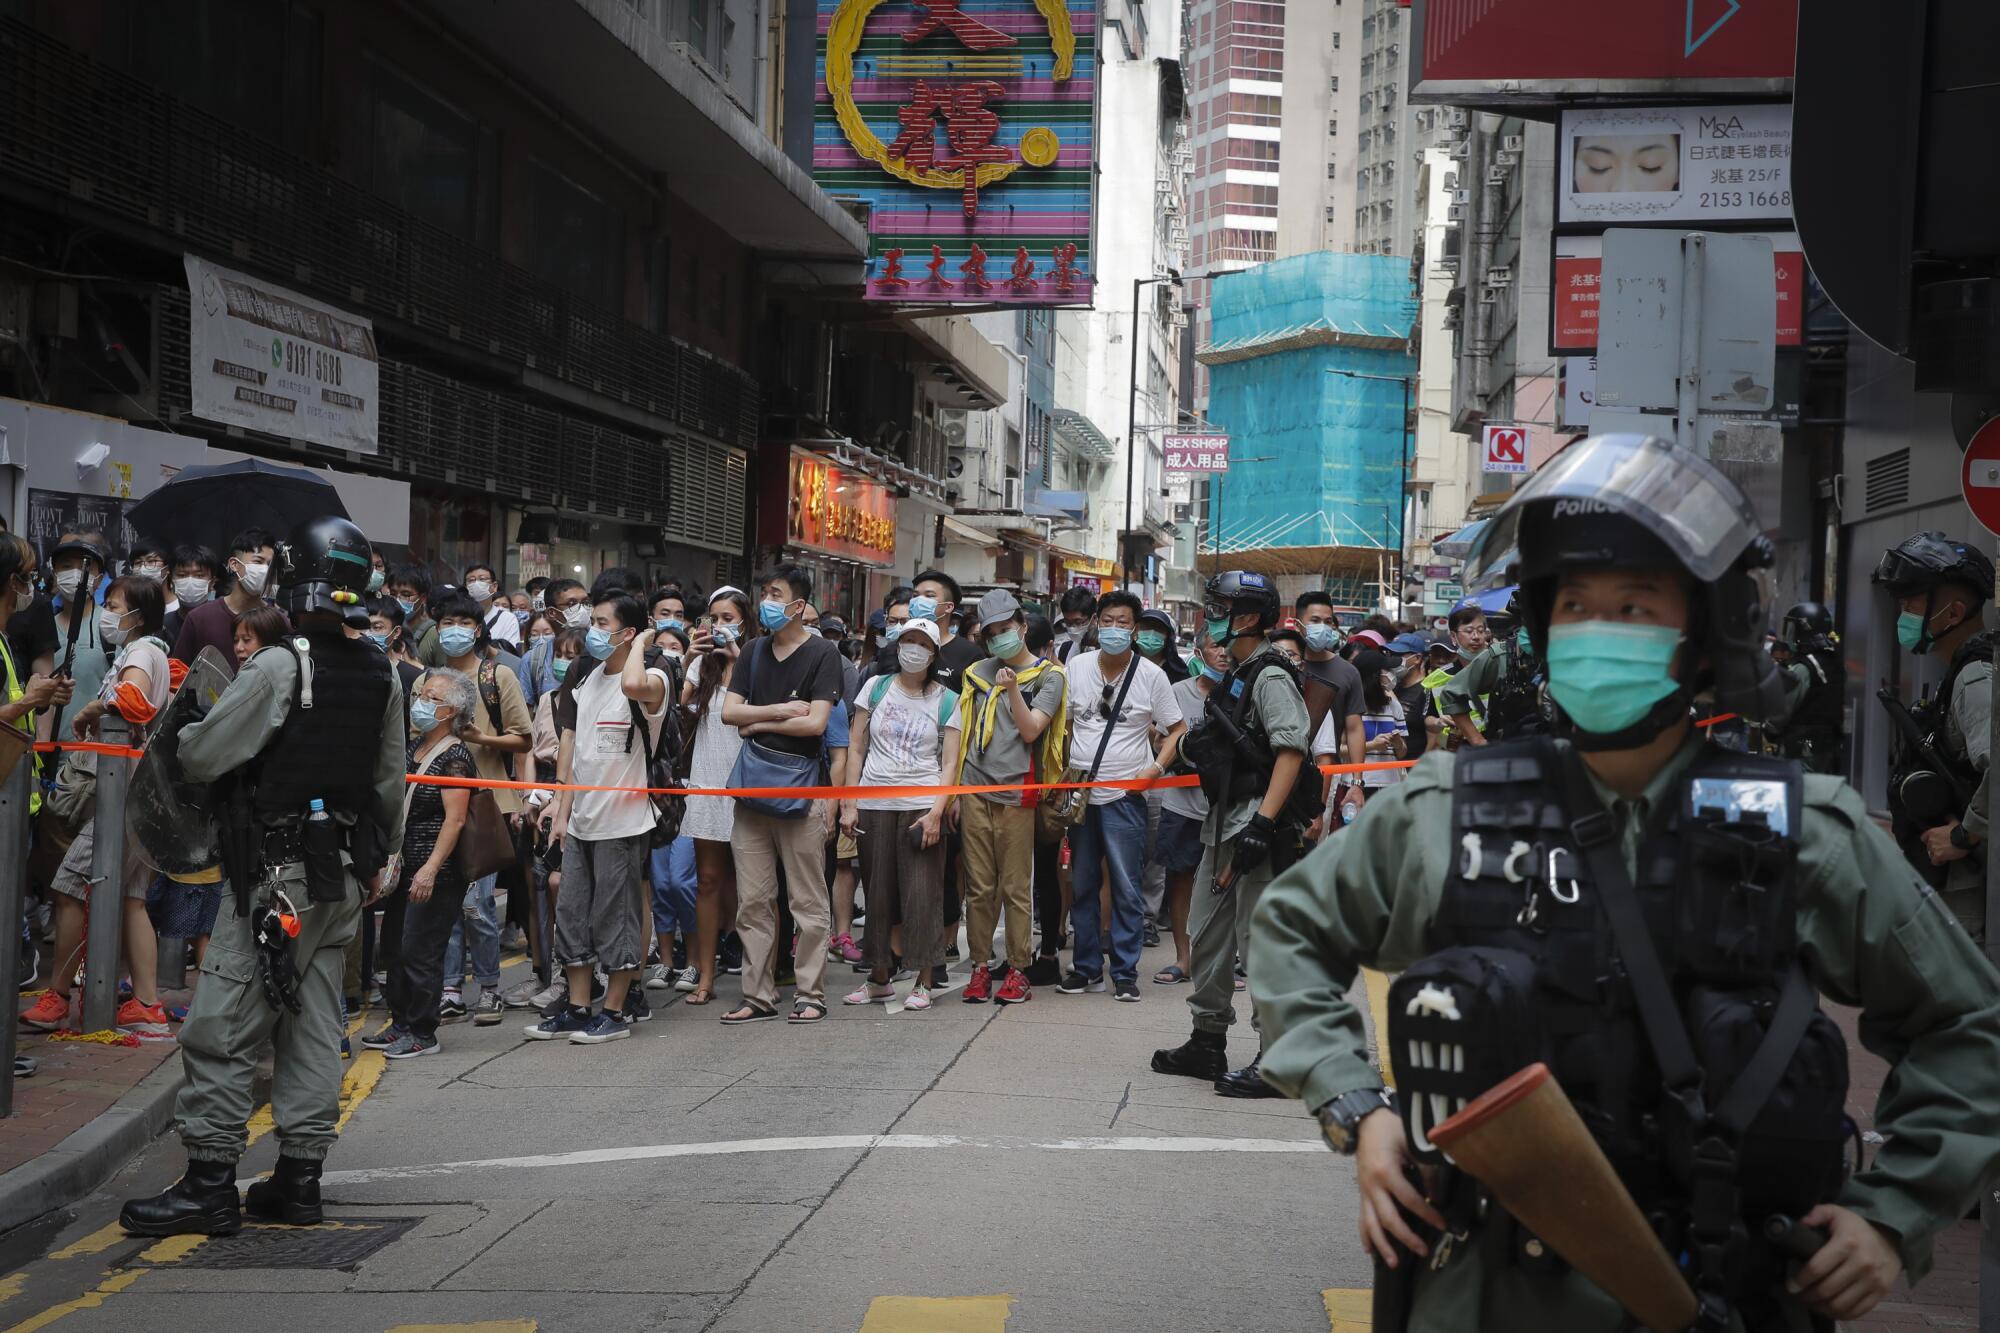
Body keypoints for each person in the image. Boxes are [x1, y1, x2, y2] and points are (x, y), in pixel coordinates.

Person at [1251, 434, 2000, 1331]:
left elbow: (1971, 1026)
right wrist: (1358, 1107)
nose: (1598, 631)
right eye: (1575, 604)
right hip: (1488, 1291)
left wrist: (1895, 1213)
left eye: (1635, 605)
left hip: (1722, 1291)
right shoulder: (1448, 809)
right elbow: (1291, 930)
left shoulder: (1803, 828)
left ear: (1704, 631)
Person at [120, 516, 405, 1237]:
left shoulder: (282, 664)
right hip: (340, 879)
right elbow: (388, 782)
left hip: (275, 878)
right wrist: (378, 862)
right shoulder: (380, 669)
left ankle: (210, 1185)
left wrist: (185, 729)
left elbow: (206, 755)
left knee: (218, 1028)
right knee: (311, 1027)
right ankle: (298, 1180)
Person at [1152, 571, 1309, 1098]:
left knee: (1258, 944)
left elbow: (1291, 751)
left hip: (1253, 829)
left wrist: (1263, 825)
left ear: (1246, 617)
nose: (1209, 614)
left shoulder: (1271, 676)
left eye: (1219, 606)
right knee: (1208, 934)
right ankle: (1207, 1040)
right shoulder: (1239, 672)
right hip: (1223, 825)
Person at [24, 575, 176, 1038]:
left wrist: (92, 710)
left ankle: (58, 995)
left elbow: (132, 701)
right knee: (131, 900)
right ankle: (147, 1005)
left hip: (126, 799)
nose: (107, 613)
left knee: (70, 884)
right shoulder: (146, 650)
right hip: (141, 797)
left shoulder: (141, 651)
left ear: (139, 614)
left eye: (114, 605)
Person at [525, 591, 672, 1044]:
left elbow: (631, 685)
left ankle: (614, 1012)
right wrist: (561, 810)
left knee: (617, 916)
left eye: (604, 624)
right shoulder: (585, 681)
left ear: (628, 632)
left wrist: (645, 639)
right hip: (582, 820)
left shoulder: (652, 679)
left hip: (623, 823)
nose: (593, 631)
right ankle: (577, 1006)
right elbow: (571, 746)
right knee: (570, 915)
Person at [719, 565, 843, 1026]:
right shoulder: (751, 650)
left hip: (801, 790)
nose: (766, 601)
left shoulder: (823, 653)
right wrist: (775, 711)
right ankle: (757, 994)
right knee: (752, 900)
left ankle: (811, 992)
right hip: (752, 790)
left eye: (775, 594)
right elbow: (730, 713)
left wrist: (758, 723)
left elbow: (815, 723)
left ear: (797, 605)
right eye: (763, 591)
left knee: (807, 901)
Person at [1058, 589, 1185, 1002]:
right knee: (1083, 884)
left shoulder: (1151, 675)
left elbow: (1177, 730)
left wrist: (1155, 768)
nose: (1115, 629)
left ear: (1135, 629)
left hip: (1126, 795)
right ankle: (1087, 968)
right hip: (1081, 794)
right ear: (1097, 622)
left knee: (1128, 887)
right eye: (1108, 620)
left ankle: (1126, 972)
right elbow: (1066, 724)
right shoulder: (1075, 667)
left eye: (1124, 623)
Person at [1873, 532, 1995, 940]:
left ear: (1954, 612)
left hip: (1975, 894)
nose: (1903, 614)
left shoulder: (1976, 680)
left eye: (1912, 604)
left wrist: (1965, 834)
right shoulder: (1960, 673)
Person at [841, 617, 962, 1010]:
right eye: (908, 640)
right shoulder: (874, 688)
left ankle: (924, 981)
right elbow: (856, 746)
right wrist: (850, 801)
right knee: (877, 894)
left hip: (921, 808)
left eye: (922, 643)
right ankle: (879, 977)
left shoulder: (946, 699)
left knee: (922, 894)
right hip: (874, 803)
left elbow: (950, 764)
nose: (914, 648)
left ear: (933, 653)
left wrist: (937, 812)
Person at [424, 592, 532, 1026]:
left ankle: (489, 987)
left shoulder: (497, 675)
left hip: (487, 805)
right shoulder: (427, 681)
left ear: (477, 628)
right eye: (446, 621)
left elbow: (522, 738)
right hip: (437, 804)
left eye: (463, 622)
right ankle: (451, 987)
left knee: (478, 904)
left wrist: (479, 740)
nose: (454, 630)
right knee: (446, 901)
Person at [955, 589, 1067, 1006]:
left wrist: (1013, 690)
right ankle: (980, 967)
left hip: (1018, 790)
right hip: (973, 789)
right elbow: (962, 735)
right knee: (980, 888)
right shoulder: (977, 672)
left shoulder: (1049, 676)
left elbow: (1032, 730)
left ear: (1022, 627)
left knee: (1017, 886)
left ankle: (1019, 968)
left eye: (1007, 629)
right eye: (992, 633)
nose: (1001, 638)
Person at [361, 670, 477, 1060]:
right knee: (394, 947)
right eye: (421, 695)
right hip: (402, 866)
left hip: (437, 872)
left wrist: (430, 868)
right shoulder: (413, 747)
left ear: (450, 710)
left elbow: (455, 820)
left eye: (430, 697)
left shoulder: (456, 757)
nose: (420, 703)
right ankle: (402, 1023)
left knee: (420, 949)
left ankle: (423, 1031)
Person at [679, 586, 753, 1006]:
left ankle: (757, 974)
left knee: (752, 886)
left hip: (747, 779)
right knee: (707, 880)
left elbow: (767, 703)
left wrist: (738, 655)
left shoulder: (755, 659)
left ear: (744, 621)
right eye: (715, 619)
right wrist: (692, 658)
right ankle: (705, 977)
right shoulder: (701, 665)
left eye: (729, 618)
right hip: (707, 777)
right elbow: (679, 708)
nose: (721, 627)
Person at [1153, 636, 1228, 986]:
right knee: (1180, 879)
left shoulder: (1245, 691)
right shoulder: (1177, 692)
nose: (1224, 653)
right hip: (1181, 802)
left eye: (1228, 645)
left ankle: (1221, 963)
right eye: (1216, 646)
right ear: (1199, 654)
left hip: (1227, 805)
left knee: (1225, 885)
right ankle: (1183, 959)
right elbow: (1160, 738)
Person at [166, 528, 278, 677]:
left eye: (270, 565)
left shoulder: (279, 621)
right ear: (234, 564)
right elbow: (177, 678)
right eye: (258, 561)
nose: (265, 570)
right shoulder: (199, 618)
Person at [1764, 602, 1846, 775]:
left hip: (1802, 746)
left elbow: (1783, 708)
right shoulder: (1834, 663)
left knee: (1800, 792)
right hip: (1829, 744)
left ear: (1804, 629)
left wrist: (1769, 730)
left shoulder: (1804, 667)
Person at [519, 577, 588, 709]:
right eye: (572, 604)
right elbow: (526, 716)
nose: (582, 609)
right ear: (552, 612)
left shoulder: (603, 651)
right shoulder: (533, 660)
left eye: (585, 603)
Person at [386, 564, 446, 668]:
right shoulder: (386, 630)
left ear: (423, 598)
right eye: (393, 594)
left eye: (406, 594)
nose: (397, 600)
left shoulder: (435, 634)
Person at [162, 543, 220, 647]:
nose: (190, 581)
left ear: (212, 582)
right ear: (171, 581)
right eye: (182, 575)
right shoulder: (163, 626)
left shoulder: (224, 622)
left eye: (199, 575)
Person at [462, 561, 520, 650]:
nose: (476, 584)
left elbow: (509, 652)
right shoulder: (458, 616)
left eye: (482, 579)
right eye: (471, 580)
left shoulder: (507, 618)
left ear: (494, 586)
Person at [1054, 585, 1098, 665]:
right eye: (1068, 622)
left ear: (1094, 618)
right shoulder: (1062, 651)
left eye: (1078, 622)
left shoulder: (1104, 651)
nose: (1072, 628)